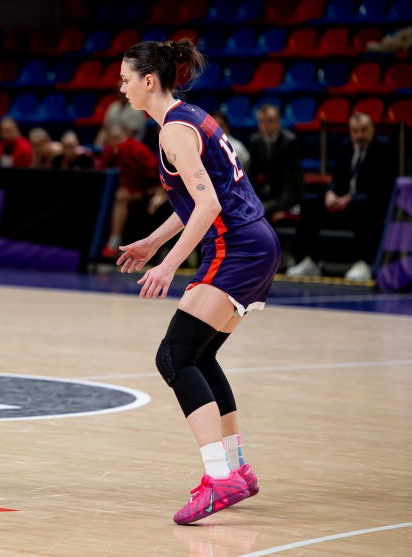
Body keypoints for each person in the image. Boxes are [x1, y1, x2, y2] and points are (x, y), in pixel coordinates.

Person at [116, 38, 280, 525]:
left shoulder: (174, 131)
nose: (121, 88)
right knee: (200, 356)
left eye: (126, 79)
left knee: (175, 355)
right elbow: (196, 197)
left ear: (149, 81)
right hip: (255, 242)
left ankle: (220, 477)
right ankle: (237, 468)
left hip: (237, 247)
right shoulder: (190, 117)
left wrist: (168, 266)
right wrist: (153, 241)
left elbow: (208, 205)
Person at [287, 113, 398, 279]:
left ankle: (362, 262)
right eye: (355, 131)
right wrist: (330, 194)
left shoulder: (384, 147)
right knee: (309, 203)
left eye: (364, 130)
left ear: (372, 129)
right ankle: (312, 261)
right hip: (344, 200)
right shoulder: (346, 146)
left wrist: (350, 198)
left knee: (362, 204)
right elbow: (336, 177)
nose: (359, 135)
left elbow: (382, 185)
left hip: (371, 201)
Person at [101, 123, 161, 257]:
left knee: (121, 197)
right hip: (123, 192)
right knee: (120, 195)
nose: (116, 142)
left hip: (144, 191)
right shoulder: (109, 152)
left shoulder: (137, 149)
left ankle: (114, 242)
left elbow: (153, 172)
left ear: (126, 136)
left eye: (118, 137)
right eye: (112, 139)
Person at [246, 104, 304, 224]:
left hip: (286, 194)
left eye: (270, 121)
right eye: (262, 121)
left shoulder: (289, 141)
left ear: (278, 121)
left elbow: (292, 180)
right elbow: (252, 176)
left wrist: (283, 207)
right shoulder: (256, 141)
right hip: (267, 194)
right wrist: (250, 199)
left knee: (260, 211)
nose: (266, 125)